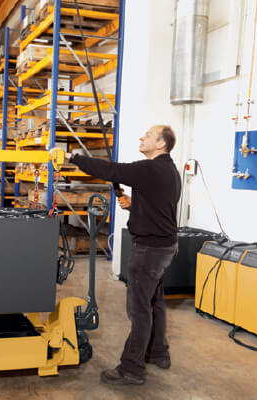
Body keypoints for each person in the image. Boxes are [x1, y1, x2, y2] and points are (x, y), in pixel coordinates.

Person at [65, 125, 181, 385]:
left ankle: (131, 369)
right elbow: (159, 208)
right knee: (154, 303)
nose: (142, 137)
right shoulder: (168, 170)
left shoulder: (150, 168)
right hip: (165, 247)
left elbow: (110, 171)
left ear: (161, 144)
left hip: (150, 250)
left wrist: (73, 158)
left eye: (148, 135)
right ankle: (158, 353)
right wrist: (135, 205)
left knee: (139, 310)